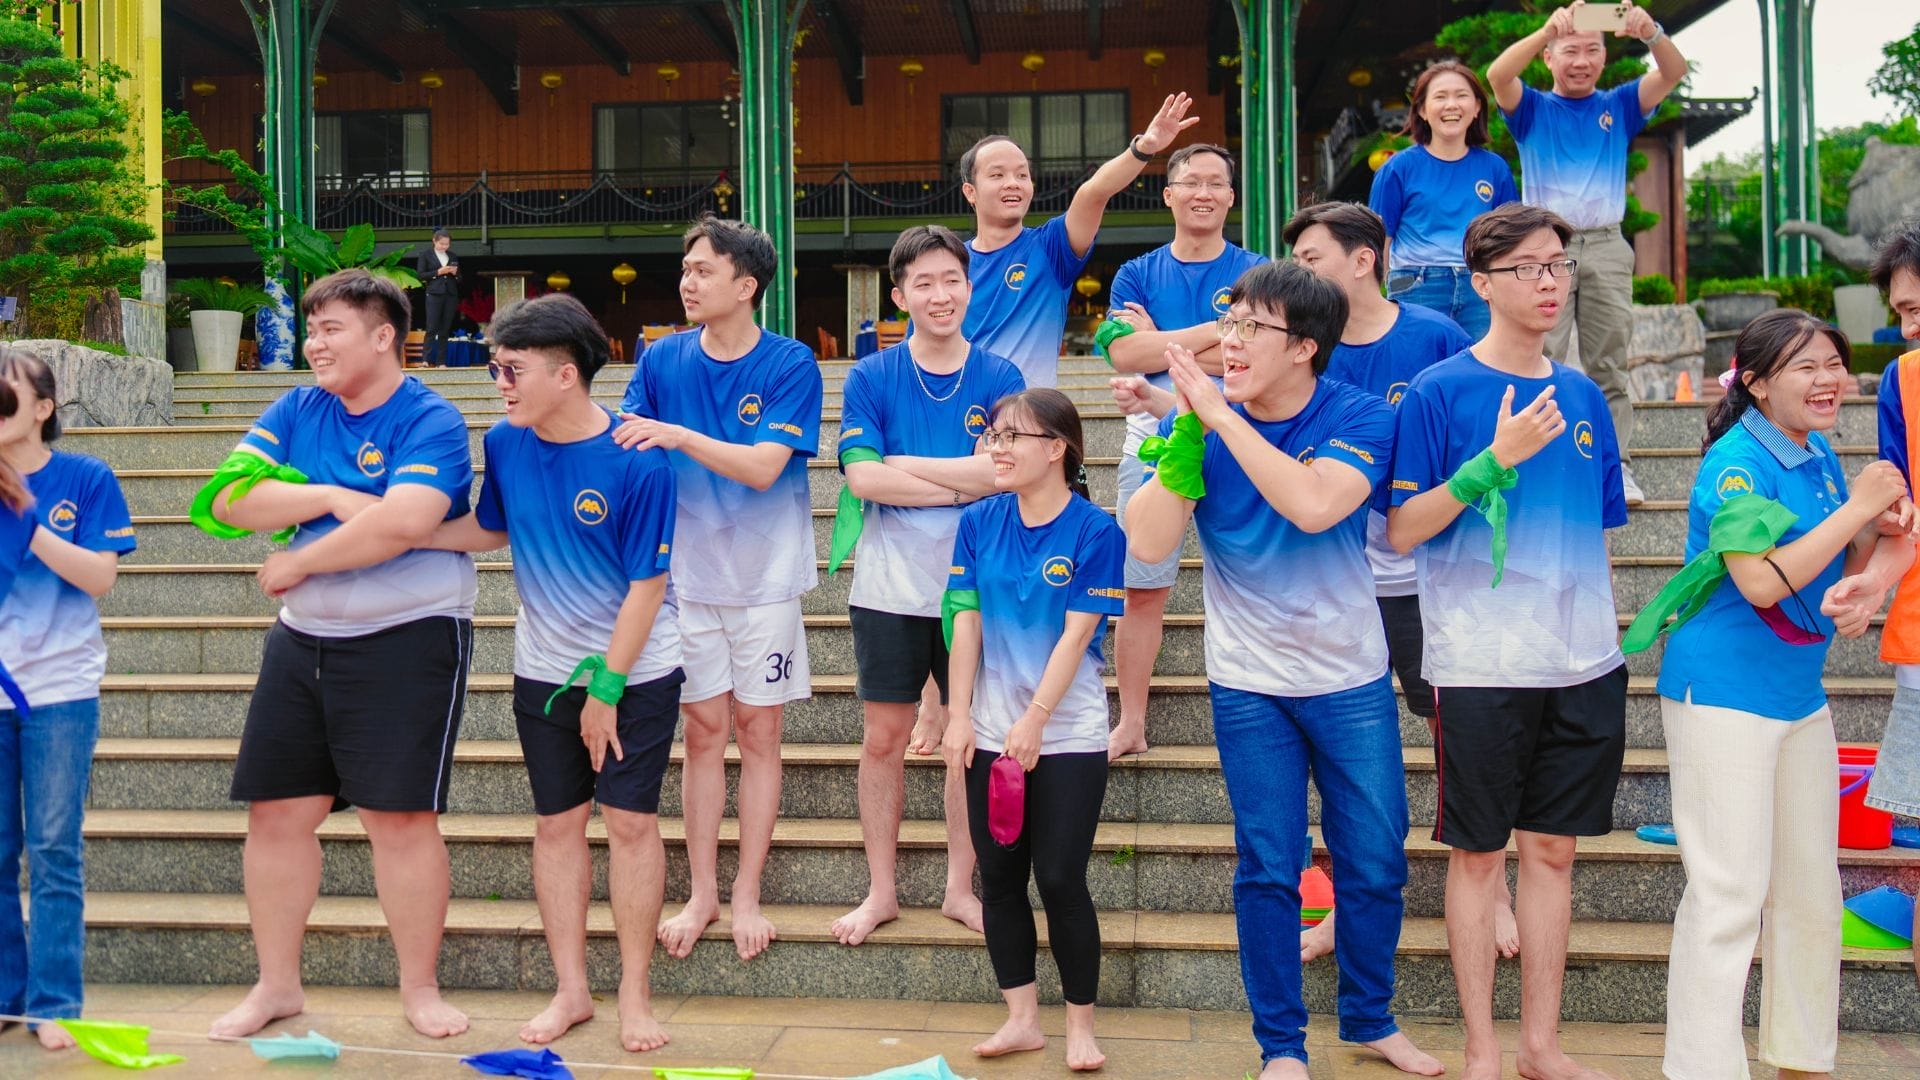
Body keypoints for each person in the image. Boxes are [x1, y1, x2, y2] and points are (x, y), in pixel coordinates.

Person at [1126, 262, 1438, 1078]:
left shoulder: (1359, 415)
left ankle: (1369, 1019)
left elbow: (1314, 504)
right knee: (1268, 867)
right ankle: (1282, 1048)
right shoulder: (1200, 424)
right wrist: (1187, 436)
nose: (1228, 342)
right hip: (1248, 684)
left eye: (1251, 329)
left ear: (1304, 346)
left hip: (1349, 677)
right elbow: (1147, 543)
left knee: (1376, 860)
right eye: (1226, 323)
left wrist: (1220, 420)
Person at [1630, 309, 1912, 1079]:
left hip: (1797, 695)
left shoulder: (1815, 450)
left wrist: (1874, 534)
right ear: (1755, 383)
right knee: (1728, 897)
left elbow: (1837, 553)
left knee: (1811, 895)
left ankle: (1802, 1060)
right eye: (1806, 367)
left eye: (1834, 364)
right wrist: (1857, 509)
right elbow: (1758, 581)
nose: (1829, 381)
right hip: (1723, 696)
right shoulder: (1737, 464)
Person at [200, 269, 478, 1039]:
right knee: (277, 814)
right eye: (311, 330)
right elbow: (226, 500)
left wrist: (300, 558)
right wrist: (326, 498)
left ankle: (420, 989)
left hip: (408, 635)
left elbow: (405, 522)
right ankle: (276, 986)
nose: (313, 345)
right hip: (303, 639)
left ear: (384, 335)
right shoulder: (298, 407)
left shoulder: (430, 417)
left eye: (331, 330)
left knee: (400, 819)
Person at [1385, 203, 1627, 1080]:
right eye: (1528, 268)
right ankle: (1482, 1049)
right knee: (1480, 854)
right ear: (1482, 284)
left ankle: (1539, 1047)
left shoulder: (1585, 396)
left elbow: (1599, 529)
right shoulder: (1439, 391)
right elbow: (1402, 529)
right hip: (1480, 661)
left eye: (1558, 265)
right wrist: (1491, 461)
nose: (1550, 283)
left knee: (1554, 852)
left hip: (1582, 659)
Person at [424, 294, 684, 1052]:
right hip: (542, 669)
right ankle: (571, 989)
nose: (499, 383)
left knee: (630, 822)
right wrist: (392, 533)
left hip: (635, 670)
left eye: (513, 370)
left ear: (565, 374)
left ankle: (634, 993)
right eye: (496, 369)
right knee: (556, 824)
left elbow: (648, 586)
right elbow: (490, 527)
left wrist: (607, 687)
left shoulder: (639, 459)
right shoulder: (506, 442)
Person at [1283, 201, 1522, 965]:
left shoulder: (1435, 337)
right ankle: (1337, 905)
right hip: (1334, 581)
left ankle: (1494, 889)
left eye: (1312, 258)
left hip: (1430, 578)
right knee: (1336, 751)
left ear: (1365, 259)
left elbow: (1478, 443)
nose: (1298, 272)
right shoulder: (1304, 350)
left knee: (1460, 733)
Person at [615, 216, 823, 962]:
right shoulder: (662, 358)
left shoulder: (790, 362)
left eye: (704, 270)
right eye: (686, 269)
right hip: (685, 580)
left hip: (765, 580)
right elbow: (625, 442)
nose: (688, 281)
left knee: (759, 733)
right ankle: (702, 891)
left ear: (746, 285)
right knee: (702, 734)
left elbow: (765, 467)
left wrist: (679, 437)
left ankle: (746, 894)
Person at [829, 226, 1025, 945]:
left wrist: (905, 466)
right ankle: (881, 890)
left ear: (969, 287)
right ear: (900, 295)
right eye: (924, 283)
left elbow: (1005, 471)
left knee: (965, 742)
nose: (940, 295)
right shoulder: (872, 376)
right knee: (884, 739)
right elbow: (862, 479)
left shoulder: (999, 376)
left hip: (975, 588)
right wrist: (961, 481)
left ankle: (958, 888)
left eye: (952, 280)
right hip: (889, 589)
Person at [940, 388, 1124, 1073]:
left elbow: (1077, 637)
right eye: (993, 435)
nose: (997, 447)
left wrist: (1036, 718)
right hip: (991, 731)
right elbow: (965, 620)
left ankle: (1080, 1026)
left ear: (1057, 449)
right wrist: (959, 715)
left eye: (1012, 436)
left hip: (1068, 732)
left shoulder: (1096, 531)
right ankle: (1021, 1019)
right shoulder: (978, 521)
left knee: (1060, 877)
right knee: (999, 877)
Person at [1099, 143, 1267, 761]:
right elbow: (1122, 354)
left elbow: (1260, 355)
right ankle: (1131, 721)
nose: (1204, 193)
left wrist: (1162, 344)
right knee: (1141, 588)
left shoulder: (1257, 273)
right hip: (1153, 440)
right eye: (1191, 182)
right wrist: (1215, 336)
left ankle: (1266, 716)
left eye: (1216, 183)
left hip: (1244, 438)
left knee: (1258, 578)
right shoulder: (1137, 274)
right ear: (1168, 195)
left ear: (1231, 197)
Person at [1487, 0, 1687, 507]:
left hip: (1606, 242)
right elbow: (1498, 75)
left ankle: (1617, 467)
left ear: (1604, 56)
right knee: (1538, 354)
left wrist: (1650, 32)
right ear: (1549, 58)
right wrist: (1544, 31)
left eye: (1592, 50)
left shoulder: (1620, 105)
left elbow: (1673, 72)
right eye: (1569, 50)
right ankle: (1535, 463)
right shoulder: (1531, 110)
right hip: (1544, 244)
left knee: (1610, 362)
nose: (1581, 61)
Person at [0, 348, 135, 1053]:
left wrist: (29, 519)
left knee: (53, 847)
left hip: (59, 690)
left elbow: (99, 578)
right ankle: (5, 993)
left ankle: (55, 1001)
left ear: (44, 408)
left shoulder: (85, 478)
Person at [959, 92, 1200, 389]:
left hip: (1031, 413)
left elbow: (1093, 193)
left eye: (1022, 175)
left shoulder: (1050, 249)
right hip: (962, 411)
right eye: (997, 175)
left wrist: (1143, 148)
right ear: (970, 192)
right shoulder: (951, 263)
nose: (1013, 183)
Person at [1862, 217, 1920, 982]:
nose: (1910, 327)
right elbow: (1899, 506)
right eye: (1903, 313)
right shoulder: (1900, 383)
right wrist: (1872, 577)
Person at [1369, 60, 1518, 339]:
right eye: (1440, 97)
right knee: (1420, 362)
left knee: (1482, 363)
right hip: (1416, 285)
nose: (1452, 105)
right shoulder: (1397, 169)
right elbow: (1379, 240)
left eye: (1461, 96)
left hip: (1479, 286)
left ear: (1477, 107)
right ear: (1422, 110)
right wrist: (1376, 298)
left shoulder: (1495, 168)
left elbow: (1509, 239)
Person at [416, 228, 460, 367]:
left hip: (450, 294)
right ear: (434, 241)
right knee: (431, 327)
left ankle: (441, 361)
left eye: (447, 244)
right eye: (441, 244)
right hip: (434, 293)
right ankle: (425, 359)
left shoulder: (452, 256)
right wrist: (438, 272)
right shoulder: (425, 255)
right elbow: (421, 275)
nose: (444, 246)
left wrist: (455, 273)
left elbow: (460, 278)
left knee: (445, 329)